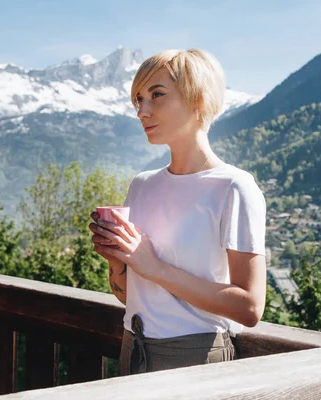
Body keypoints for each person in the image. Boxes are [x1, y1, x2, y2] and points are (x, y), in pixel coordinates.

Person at [89, 48, 266, 376]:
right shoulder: (141, 185)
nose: (142, 110)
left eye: (156, 95)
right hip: (133, 349)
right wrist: (118, 261)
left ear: (198, 98)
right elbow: (128, 296)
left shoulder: (234, 187)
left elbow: (250, 308)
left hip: (196, 361)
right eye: (138, 99)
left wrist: (152, 266)